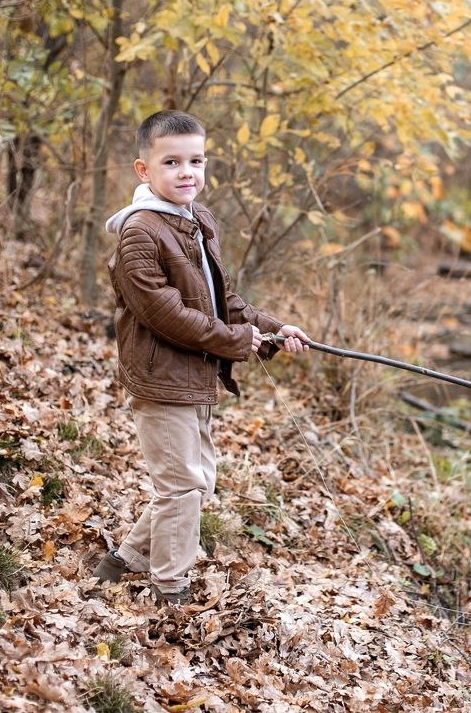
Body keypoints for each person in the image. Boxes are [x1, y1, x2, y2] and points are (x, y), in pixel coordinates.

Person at [92, 110, 309, 604]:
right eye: (172, 162)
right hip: (161, 380)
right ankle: (171, 590)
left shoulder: (196, 220)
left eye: (196, 160)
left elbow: (223, 302)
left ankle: (121, 561)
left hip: (196, 375)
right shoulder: (140, 233)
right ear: (144, 171)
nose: (187, 172)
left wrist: (273, 329)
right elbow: (164, 314)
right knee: (181, 488)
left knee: (196, 485)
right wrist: (235, 342)